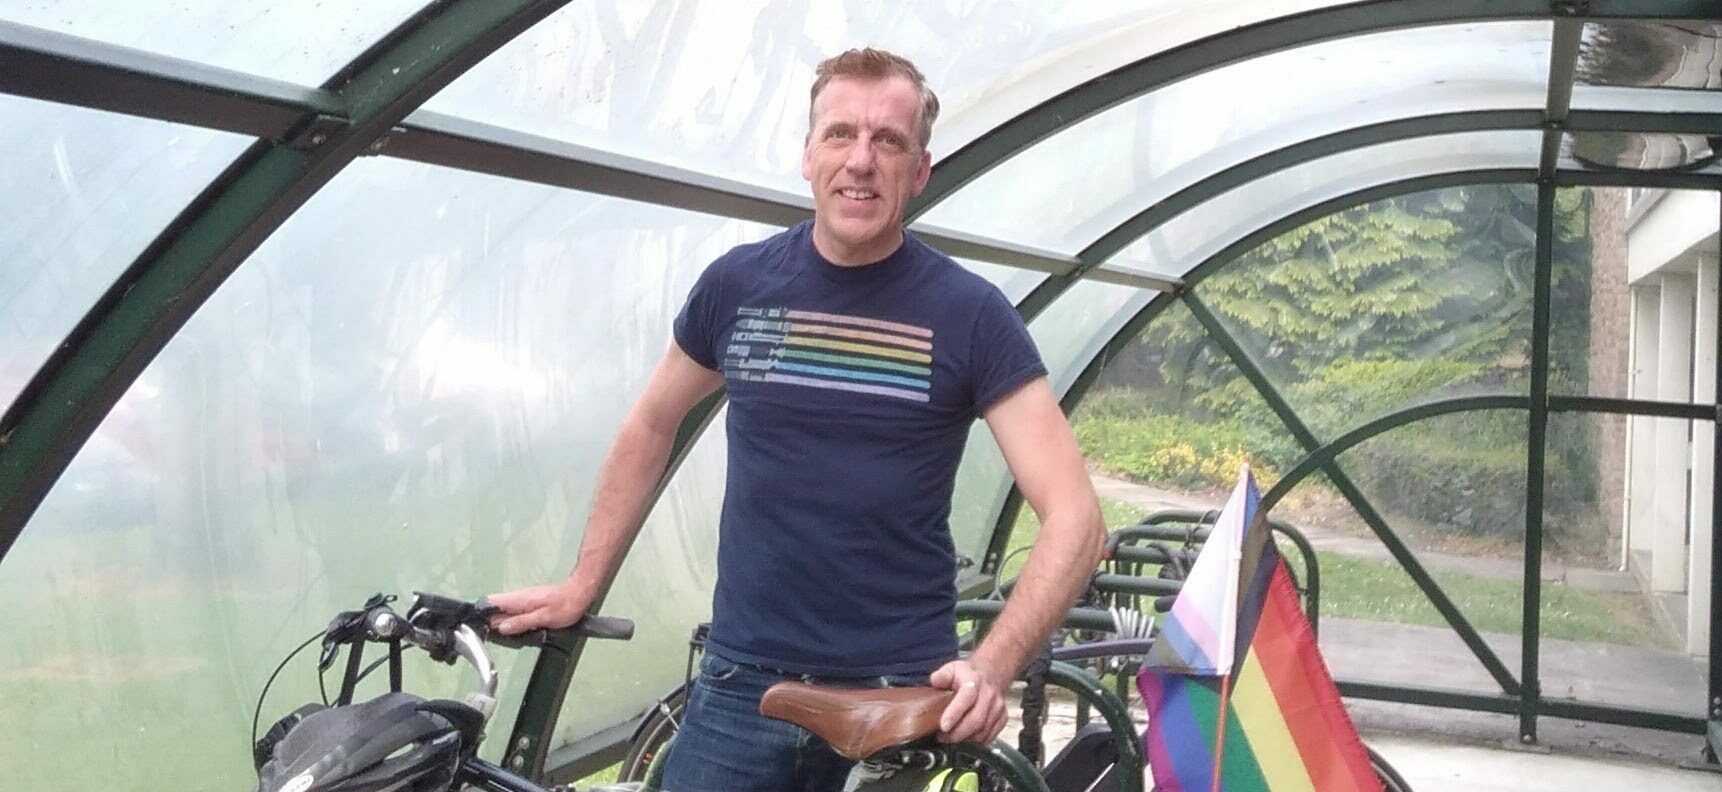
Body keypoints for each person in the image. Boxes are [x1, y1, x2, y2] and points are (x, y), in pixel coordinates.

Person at [488, 47, 1104, 792]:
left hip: (896, 695)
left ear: (920, 170)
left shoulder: (971, 315)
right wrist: (583, 583)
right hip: (745, 685)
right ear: (808, 155)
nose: (862, 160)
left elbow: (1074, 515)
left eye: (889, 141)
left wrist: (992, 665)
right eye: (841, 134)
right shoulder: (738, 288)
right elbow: (652, 424)